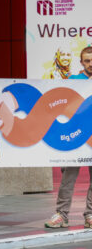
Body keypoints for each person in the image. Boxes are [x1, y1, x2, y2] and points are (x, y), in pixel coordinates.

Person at [44, 45, 92, 229]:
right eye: (87, 60)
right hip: (76, 136)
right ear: (81, 63)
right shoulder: (73, 80)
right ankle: (61, 214)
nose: (90, 63)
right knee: (68, 177)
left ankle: (90, 215)